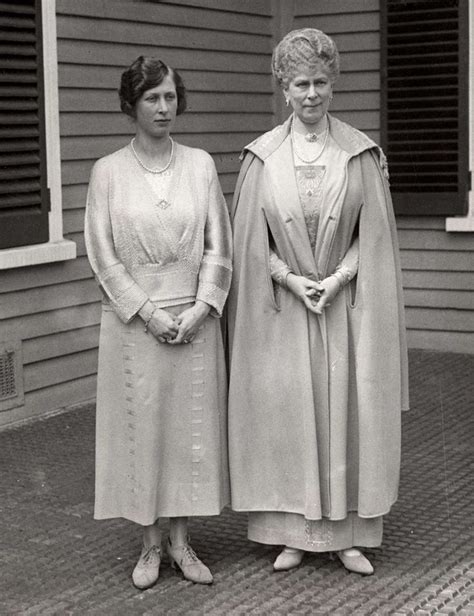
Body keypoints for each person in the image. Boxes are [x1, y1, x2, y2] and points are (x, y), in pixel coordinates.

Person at [227, 28, 409, 576]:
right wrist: (287, 278)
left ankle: (346, 535)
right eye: (301, 83)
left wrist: (337, 279)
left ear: (335, 86)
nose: (312, 95)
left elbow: (373, 240)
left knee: (346, 413)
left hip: (343, 306)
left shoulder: (358, 153)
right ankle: (295, 533)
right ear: (284, 88)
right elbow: (249, 241)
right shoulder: (261, 158)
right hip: (285, 310)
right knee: (288, 416)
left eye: (322, 84)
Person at [85, 56, 232, 589]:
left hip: (193, 321)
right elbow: (102, 256)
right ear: (132, 105)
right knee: (143, 431)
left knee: (187, 435)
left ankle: (181, 542)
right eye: (152, 98)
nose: (164, 107)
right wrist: (148, 313)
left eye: (170, 96)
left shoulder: (199, 165)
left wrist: (200, 308)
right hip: (134, 325)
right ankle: (149, 546)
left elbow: (219, 243)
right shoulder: (107, 172)